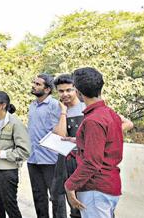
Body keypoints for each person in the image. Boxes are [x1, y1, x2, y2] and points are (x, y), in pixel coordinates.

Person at [51, 74, 133, 218]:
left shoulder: (93, 119)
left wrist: (70, 185)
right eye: (61, 91)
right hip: (107, 181)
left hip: (95, 184)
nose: (65, 94)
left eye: (70, 89)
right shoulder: (108, 113)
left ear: (78, 91)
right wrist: (81, 140)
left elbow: (92, 163)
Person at [27, 73, 66, 218]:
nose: (34, 86)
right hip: (33, 159)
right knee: (39, 197)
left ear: (48, 89)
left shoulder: (56, 105)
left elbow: (61, 130)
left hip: (51, 160)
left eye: (38, 84)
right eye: (34, 83)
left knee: (57, 198)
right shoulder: (32, 105)